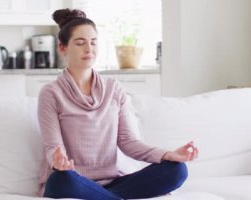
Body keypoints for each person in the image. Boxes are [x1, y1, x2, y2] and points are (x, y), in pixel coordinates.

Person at [37, 8, 199, 200]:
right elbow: (52, 147)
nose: (89, 49)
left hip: (113, 183)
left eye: (93, 42)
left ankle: (105, 196)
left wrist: (167, 155)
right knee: (60, 180)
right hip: (73, 181)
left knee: (177, 170)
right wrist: (58, 162)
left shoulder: (113, 89)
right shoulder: (51, 93)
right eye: (80, 43)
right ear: (63, 48)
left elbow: (128, 142)